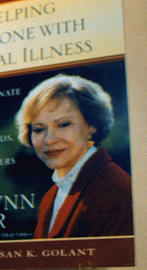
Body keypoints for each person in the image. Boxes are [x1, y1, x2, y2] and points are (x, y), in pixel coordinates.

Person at [15, 74, 133, 239]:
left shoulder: (114, 191)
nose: (49, 140)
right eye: (39, 129)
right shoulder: (52, 195)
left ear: (92, 126)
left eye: (63, 124)